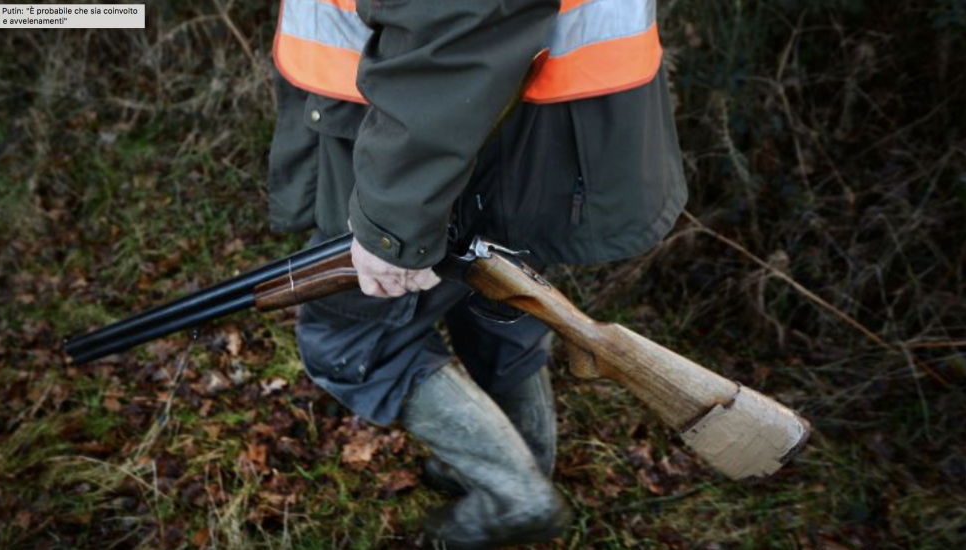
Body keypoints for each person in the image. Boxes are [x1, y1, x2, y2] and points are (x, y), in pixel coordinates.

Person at [266, 0, 687, 547]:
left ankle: (515, 496)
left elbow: (454, 28)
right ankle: (523, 462)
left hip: (446, 126)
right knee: (496, 298)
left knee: (351, 335)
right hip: (541, 115)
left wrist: (392, 223)